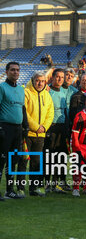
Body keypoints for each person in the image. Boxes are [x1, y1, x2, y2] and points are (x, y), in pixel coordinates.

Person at [17, 71, 54, 197]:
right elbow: (24, 112)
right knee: (23, 161)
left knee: (36, 162)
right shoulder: (26, 93)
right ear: (33, 80)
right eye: (38, 80)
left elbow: (50, 113)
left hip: (41, 135)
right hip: (27, 134)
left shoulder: (47, 95)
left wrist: (44, 128)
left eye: (42, 81)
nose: (40, 83)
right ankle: (20, 188)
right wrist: (36, 127)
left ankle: (34, 188)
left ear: (45, 82)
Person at [0, 62, 26, 199]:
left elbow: (22, 109)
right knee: (1, 160)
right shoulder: (2, 87)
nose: (15, 72)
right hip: (5, 128)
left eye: (17, 70)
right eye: (12, 70)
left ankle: (9, 190)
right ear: (7, 71)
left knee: (12, 161)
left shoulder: (21, 89)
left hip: (17, 129)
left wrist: (25, 127)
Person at [45, 68, 68, 193]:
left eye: (62, 77)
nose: (60, 79)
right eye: (57, 77)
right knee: (50, 157)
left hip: (62, 128)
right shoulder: (47, 91)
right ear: (52, 77)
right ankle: (48, 184)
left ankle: (56, 184)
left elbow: (65, 111)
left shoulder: (63, 92)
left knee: (60, 157)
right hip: (51, 127)